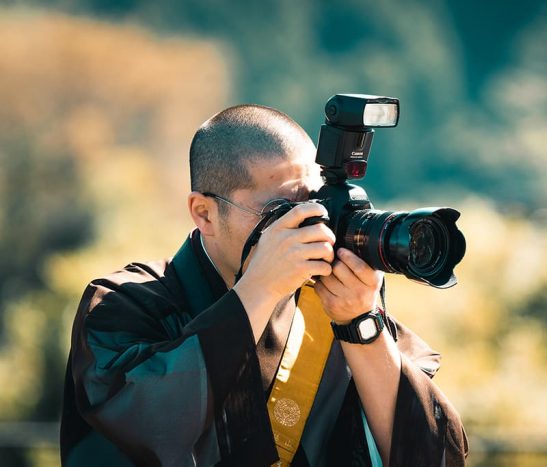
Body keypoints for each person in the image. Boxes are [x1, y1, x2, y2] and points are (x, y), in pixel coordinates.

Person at [60, 104, 468, 467]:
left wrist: (361, 323)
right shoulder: (122, 302)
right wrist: (260, 289)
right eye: (280, 210)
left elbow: (433, 454)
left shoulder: (328, 300)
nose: (308, 222)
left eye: (315, 202)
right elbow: (151, 426)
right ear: (204, 213)